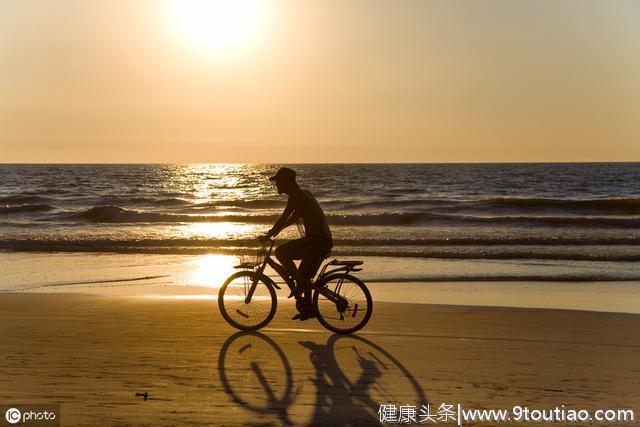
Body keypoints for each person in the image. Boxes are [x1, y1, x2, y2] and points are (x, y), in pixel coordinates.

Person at [260, 167, 333, 320]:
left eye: (278, 181)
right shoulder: (304, 194)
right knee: (305, 274)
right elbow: (293, 218)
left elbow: (284, 216)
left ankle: (298, 282)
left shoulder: (296, 196)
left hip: (317, 240)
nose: (276, 185)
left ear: (286, 182)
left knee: (280, 252)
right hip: (323, 240)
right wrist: (274, 232)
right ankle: (308, 309)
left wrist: (270, 233)